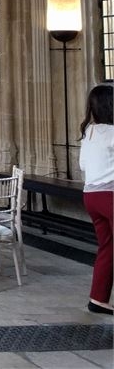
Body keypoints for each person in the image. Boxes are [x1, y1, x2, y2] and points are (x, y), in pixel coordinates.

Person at [79, 83, 114, 315]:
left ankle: (98, 299)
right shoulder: (112, 132)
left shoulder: (88, 132)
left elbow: (82, 165)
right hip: (110, 196)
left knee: (107, 248)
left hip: (90, 196)